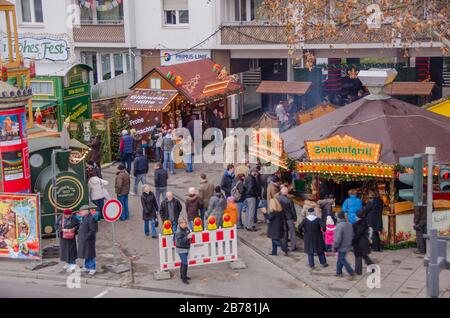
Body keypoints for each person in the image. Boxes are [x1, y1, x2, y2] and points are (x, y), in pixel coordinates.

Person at [352, 210, 374, 275]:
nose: (355, 217)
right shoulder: (365, 222)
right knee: (365, 256)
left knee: (358, 256)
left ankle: (358, 271)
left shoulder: (356, 224)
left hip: (359, 243)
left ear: (358, 217)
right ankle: (373, 268)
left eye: (356, 216)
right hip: (364, 242)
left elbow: (357, 235)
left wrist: (352, 241)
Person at [78, 205, 97, 276]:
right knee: (86, 254)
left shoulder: (91, 218)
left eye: (82, 211)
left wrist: (86, 237)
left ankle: (92, 268)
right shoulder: (84, 218)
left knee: (90, 254)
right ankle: (87, 266)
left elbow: (93, 230)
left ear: (87, 211)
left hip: (89, 240)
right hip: (83, 239)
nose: (81, 212)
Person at [333, 213, 355, 278]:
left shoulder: (339, 226)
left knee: (342, 259)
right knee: (340, 259)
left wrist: (335, 246)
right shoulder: (349, 224)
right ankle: (338, 272)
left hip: (341, 246)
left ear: (339, 218)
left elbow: (337, 238)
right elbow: (353, 235)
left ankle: (351, 272)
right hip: (348, 245)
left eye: (337, 217)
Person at [278, 186, 298, 251]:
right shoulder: (289, 200)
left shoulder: (277, 199)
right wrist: (295, 219)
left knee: (284, 232)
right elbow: (293, 210)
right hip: (289, 218)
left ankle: (284, 245)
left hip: (281, 217)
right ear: (286, 192)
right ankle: (293, 247)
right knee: (292, 232)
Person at [175, 218, 193, 284]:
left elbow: (188, 236)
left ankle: (183, 276)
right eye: (183, 223)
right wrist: (187, 237)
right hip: (181, 249)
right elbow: (180, 241)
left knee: (183, 262)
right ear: (180, 224)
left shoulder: (186, 229)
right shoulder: (178, 231)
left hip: (185, 248)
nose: (185, 224)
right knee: (185, 263)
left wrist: (190, 237)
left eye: (185, 222)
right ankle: (183, 278)